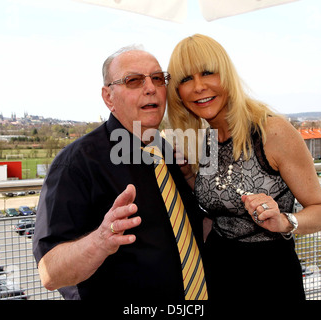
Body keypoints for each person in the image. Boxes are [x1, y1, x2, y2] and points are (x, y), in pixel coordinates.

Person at [32, 45, 207, 301]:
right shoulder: (76, 164)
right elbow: (50, 273)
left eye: (158, 78)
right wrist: (100, 241)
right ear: (108, 97)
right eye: (133, 80)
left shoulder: (168, 152)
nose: (151, 88)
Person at [166, 34, 321, 301]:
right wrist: (187, 175)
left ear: (227, 75)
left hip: (269, 276)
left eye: (208, 73)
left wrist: (285, 221)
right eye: (186, 79)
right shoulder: (205, 139)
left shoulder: (271, 131)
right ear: (177, 92)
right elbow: (219, 196)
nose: (198, 87)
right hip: (217, 271)